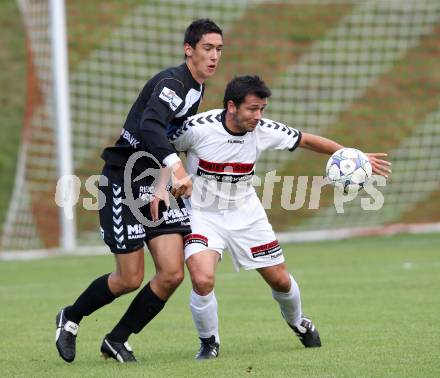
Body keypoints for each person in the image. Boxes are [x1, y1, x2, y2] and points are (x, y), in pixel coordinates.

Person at [168, 75, 392, 359]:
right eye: (252, 109)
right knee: (202, 278)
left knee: (281, 281)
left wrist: (351, 154)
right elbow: (164, 147)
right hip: (202, 215)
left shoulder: (262, 129)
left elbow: (306, 140)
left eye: (262, 108)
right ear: (232, 106)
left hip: (247, 215)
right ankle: (209, 342)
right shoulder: (198, 128)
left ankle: (298, 322)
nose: (258, 116)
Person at [55, 18, 224, 363]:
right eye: (207, 48)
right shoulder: (172, 82)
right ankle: (70, 317)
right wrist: (176, 170)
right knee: (129, 277)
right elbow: (148, 125)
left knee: (172, 273)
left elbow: (164, 137)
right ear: (188, 49)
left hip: (153, 185)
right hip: (122, 180)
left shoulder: (196, 88)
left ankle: (117, 340)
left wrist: (163, 184)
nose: (214, 56)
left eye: (219, 49)